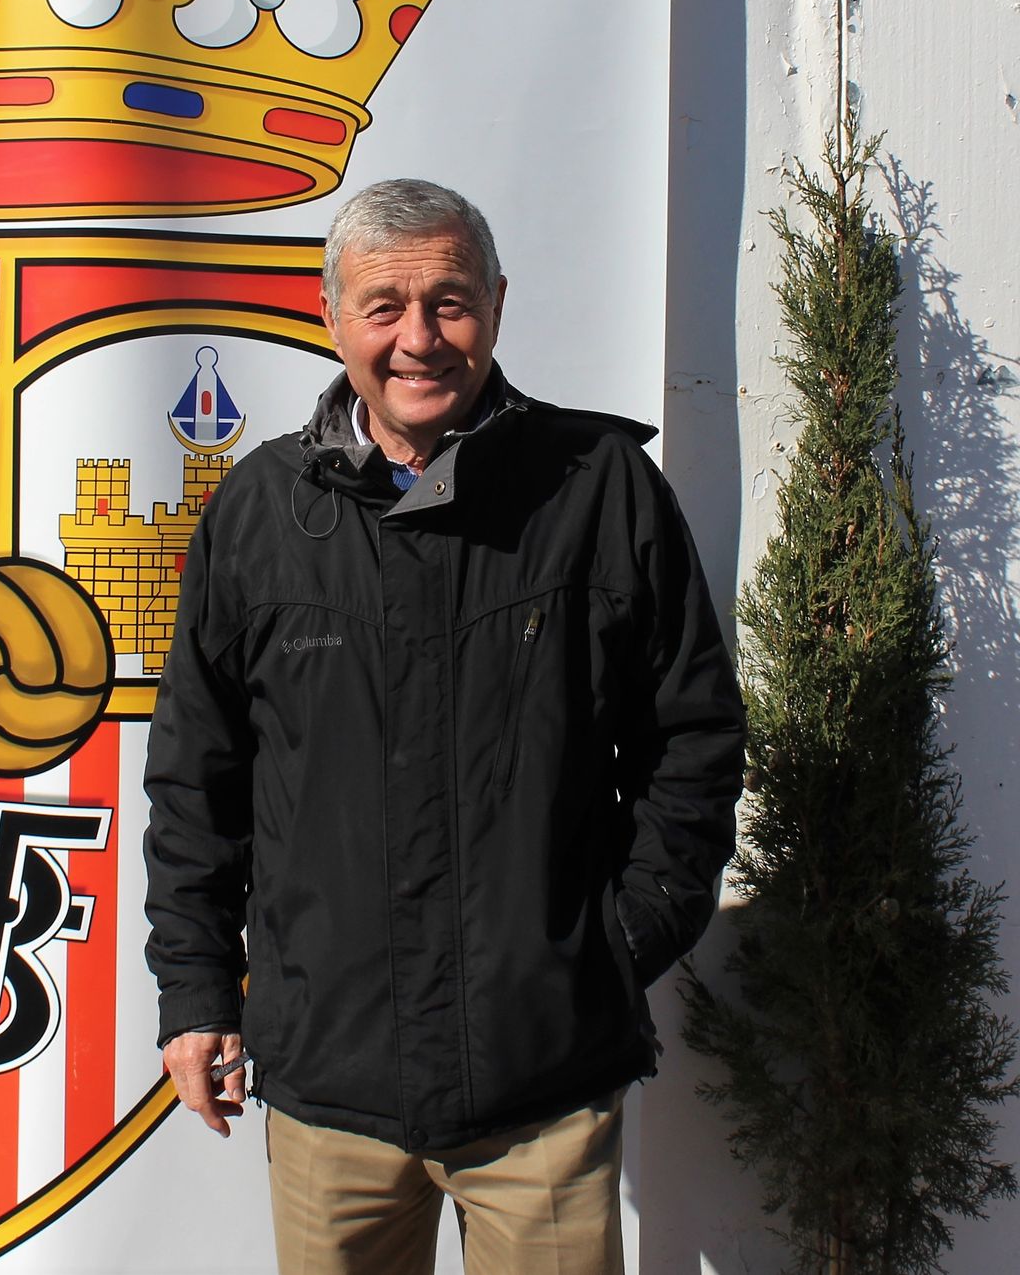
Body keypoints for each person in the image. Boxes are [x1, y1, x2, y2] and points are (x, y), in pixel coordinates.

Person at [143, 178, 744, 1275]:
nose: (418, 338)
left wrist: (609, 951)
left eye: (450, 302)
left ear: (499, 306)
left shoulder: (598, 491)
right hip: (330, 1087)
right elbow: (197, 781)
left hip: (543, 1090)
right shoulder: (259, 514)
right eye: (384, 306)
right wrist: (193, 993)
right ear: (331, 316)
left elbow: (692, 742)